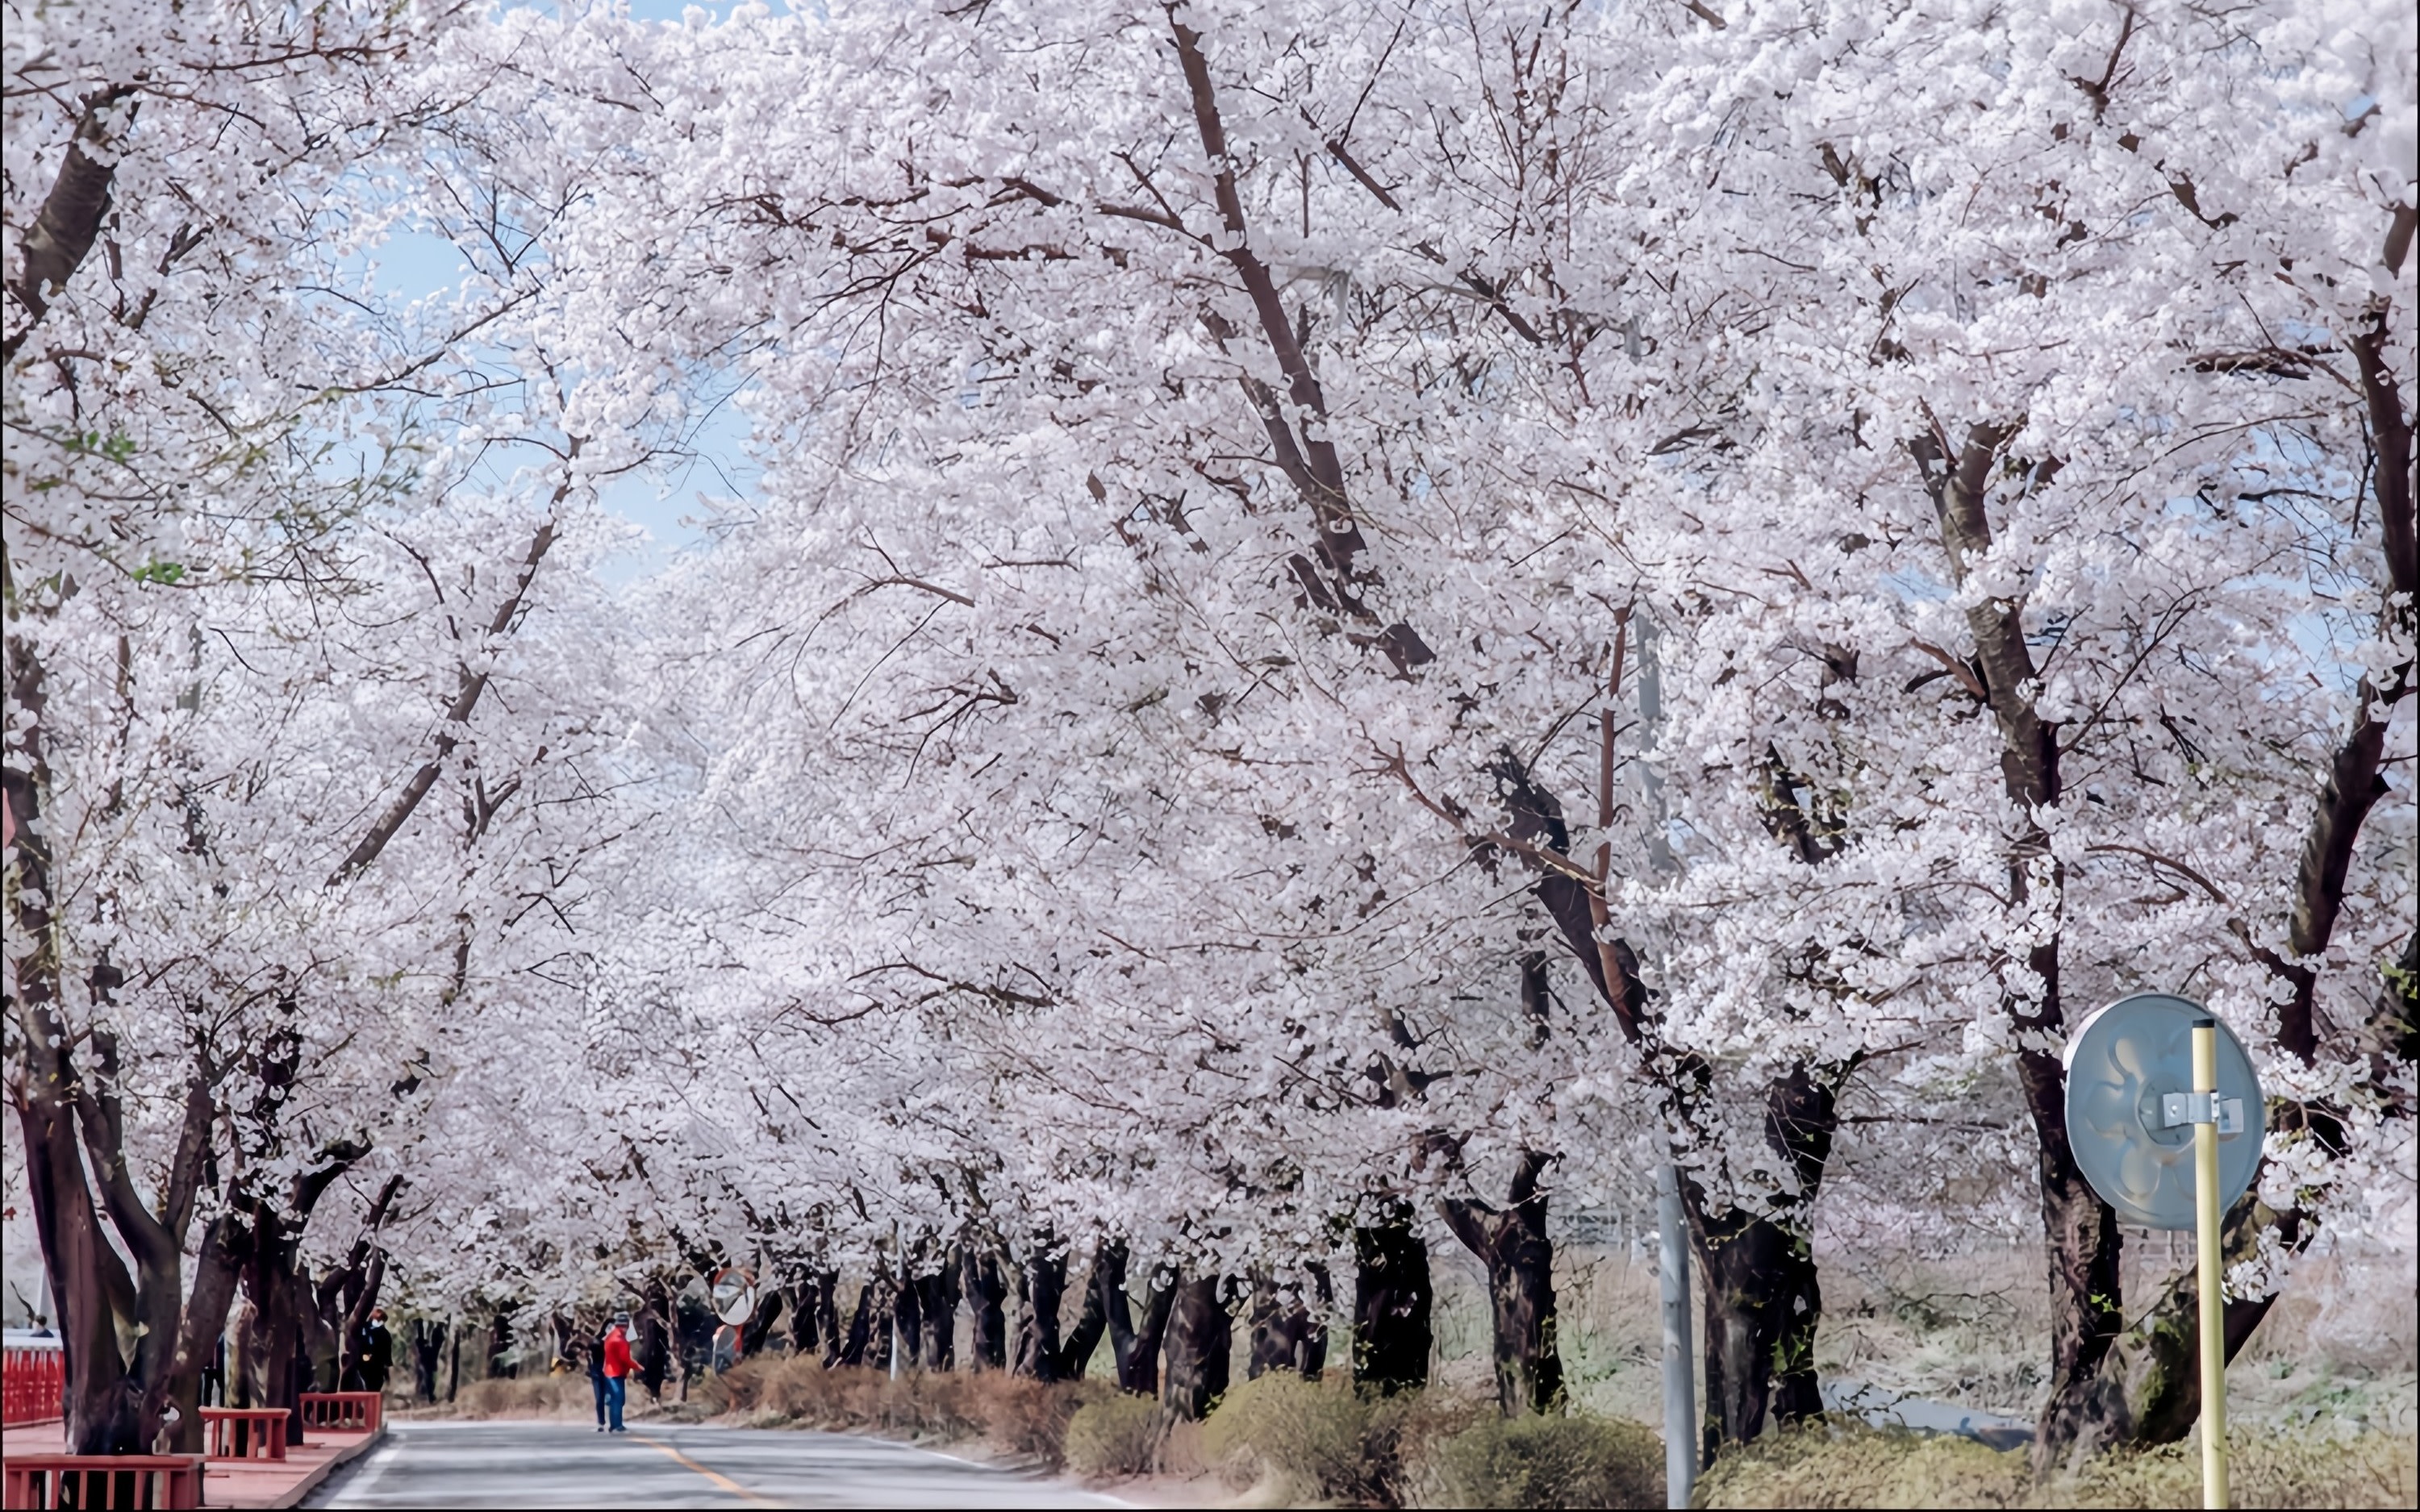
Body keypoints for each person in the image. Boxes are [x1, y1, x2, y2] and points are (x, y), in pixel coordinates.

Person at [600, 1312, 635, 1433]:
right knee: (618, 1399)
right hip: (615, 1372)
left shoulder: (611, 1336)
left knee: (614, 1399)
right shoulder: (619, 1339)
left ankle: (613, 1425)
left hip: (609, 1372)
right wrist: (636, 1367)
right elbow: (624, 1358)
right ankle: (617, 1426)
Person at [359, 1309, 394, 1394]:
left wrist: (387, 1369)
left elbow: (387, 1353)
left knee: (374, 1390)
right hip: (363, 1365)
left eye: (380, 1319)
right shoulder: (364, 1328)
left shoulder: (384, 1334)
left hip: (377, 1367)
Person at [586, 1319, 610, 1431]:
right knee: (600, 1398)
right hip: (597, 1372)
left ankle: (611, 1422)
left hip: (608, 1371)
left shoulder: (611, 1340)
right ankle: (601, 1423)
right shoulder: (594, 1342)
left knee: (608, 1397)